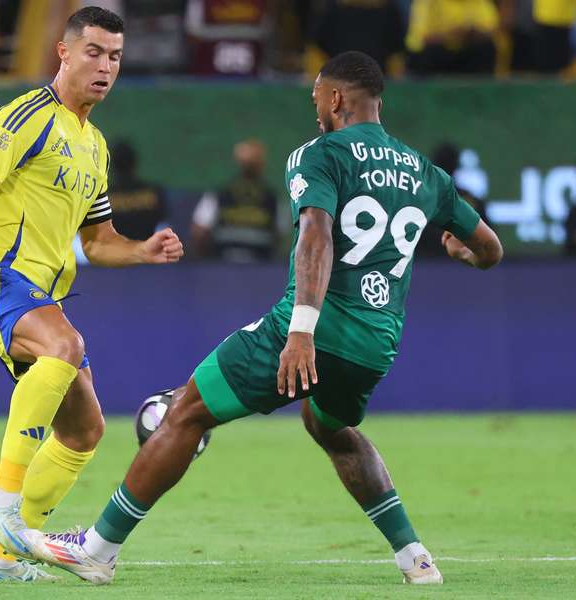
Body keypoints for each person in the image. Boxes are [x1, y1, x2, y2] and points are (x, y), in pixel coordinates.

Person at [26, 51, 503, 586]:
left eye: (317, 96)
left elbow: (316, 234)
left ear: (337, 98)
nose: (315, 106)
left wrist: (301, 330)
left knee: (187, 410)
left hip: (310, 329)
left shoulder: (319, 155)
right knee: (331, 425)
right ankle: (415, 557)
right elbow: (490, 248)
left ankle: (97, 549)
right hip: (376, 344)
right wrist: (465, 254)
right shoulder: (426, 174)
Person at [0, 6, 183, 584]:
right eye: (94, 52)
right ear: (65, 52)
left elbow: (98, 243)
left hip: (41, 292)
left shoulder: (95, 147)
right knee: (65, 345)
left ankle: (2, 561)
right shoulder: (30, 113)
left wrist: (143, 250)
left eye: (116, 57)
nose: (105, 67)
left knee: (84, 430)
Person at [191, 139, 279, 263]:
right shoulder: (219, 194)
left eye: (253, 161)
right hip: (224, 265)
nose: (250, 165)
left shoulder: (272, 198)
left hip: (259, 268)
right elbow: (199, 232)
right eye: (248, 162)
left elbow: (280, 235)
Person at [405, 0, 499, 76]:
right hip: (439, 53)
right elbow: (421, 39)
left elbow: (492, 32)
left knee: (487, 48)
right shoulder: (427, 2)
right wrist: (450, 36)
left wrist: (472, 33)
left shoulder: (480, 2)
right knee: (430, 53)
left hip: (467, 51)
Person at [106, 140, 167, 241]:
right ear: (134, 162)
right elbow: (164, 228)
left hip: (114, 255)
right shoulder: (154, 193)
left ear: (112, 165)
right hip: (147, 253)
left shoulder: (103, 198)